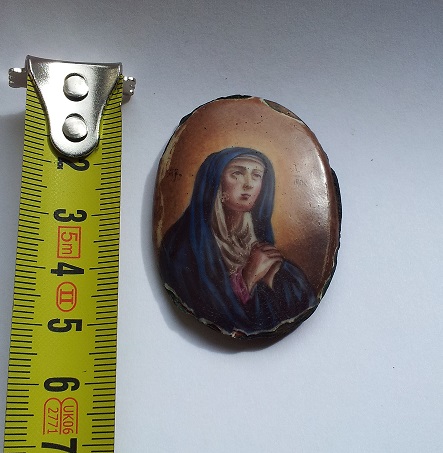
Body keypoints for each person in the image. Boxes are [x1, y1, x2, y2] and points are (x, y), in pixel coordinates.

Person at [159, 147, 317, 337]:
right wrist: (247, 279)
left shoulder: (259, 244)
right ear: (216, 181)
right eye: (237, 173)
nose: (248, 184)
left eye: (256, 175)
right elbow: (210, 310)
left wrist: (271, 281)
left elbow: (295, 306)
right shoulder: (182, 246)